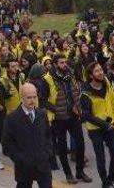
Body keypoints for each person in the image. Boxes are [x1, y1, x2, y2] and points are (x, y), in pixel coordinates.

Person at [41, 54, 91, 184]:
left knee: (80, 143)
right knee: (62, 147)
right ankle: (68, 174)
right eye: (61, 63)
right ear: (55, 64)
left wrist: (78, 107)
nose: (65, 65)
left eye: (65, 62)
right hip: (59, 118)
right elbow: (42, 100)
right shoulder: (47, 79)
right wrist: (56, 109)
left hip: (73, 114)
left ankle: (80, 172)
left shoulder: (70, 75)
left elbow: (76, 91)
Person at [80, 62, 114, 188]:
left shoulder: (106, 82)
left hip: (109, 125)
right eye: (97, 71)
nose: (100, 73)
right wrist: (103, 124)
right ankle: (105, 183)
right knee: (100, 157)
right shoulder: (86, 93)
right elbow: (85, 115)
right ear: (90, 75)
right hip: (95, 129)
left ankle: (111, 178)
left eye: (101, 70)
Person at [2, 83, 53, 188]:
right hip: (24, 168)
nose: (32, 100)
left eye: (34, 97)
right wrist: (20, 159)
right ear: (21, 97)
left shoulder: (42, 114)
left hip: (42, 165)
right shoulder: (12, 118)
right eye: (29, 97)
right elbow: (7, 145)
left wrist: (47, 153)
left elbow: (48, 136)